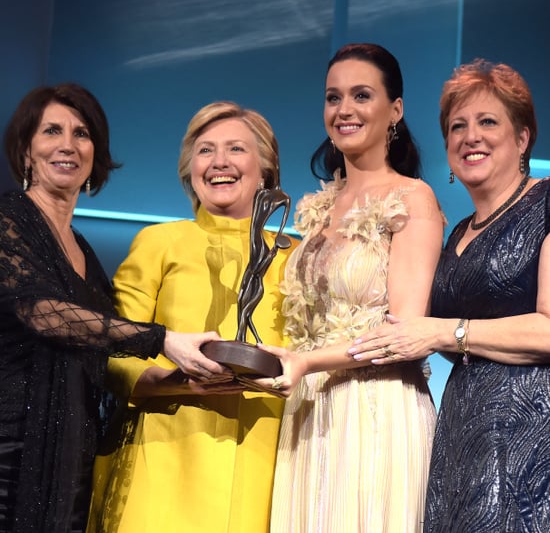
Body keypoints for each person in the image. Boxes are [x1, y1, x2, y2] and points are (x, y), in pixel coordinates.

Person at [0, 83, 228, 533]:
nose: (68, 145)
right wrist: (164, 340)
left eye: (82, 134)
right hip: (12, 454)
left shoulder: (83, 250)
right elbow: (41, 312)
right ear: (26, 150)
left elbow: (99, 354)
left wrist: (177, 382)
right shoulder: (8, 220)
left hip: (71, 457)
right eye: (51, 131)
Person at [347, 59, 550, 532]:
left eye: (487, 122)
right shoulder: (458, 230)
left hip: (528, 438)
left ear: (522, 138)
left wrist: (444, 331)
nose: (470, 136)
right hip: (459, 438)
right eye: (457, 126)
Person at [253, 43, 445, 532]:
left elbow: (402, 332)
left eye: (362, 95)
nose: (344, 110)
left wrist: (309, 362)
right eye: (333, 97)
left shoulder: (412, 197)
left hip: (376, 410)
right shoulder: (318, 206)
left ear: (395, 110)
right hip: (309, 409)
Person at [87, 101, 299, 532]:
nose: (219, 162)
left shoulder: (295, 255)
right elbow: (112, 356)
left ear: (266, 171)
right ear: (190, 169)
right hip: (166, 457)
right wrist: (182, 381)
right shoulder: (159, 241)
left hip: (266, 461)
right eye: (205, 150)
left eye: (236, 149)